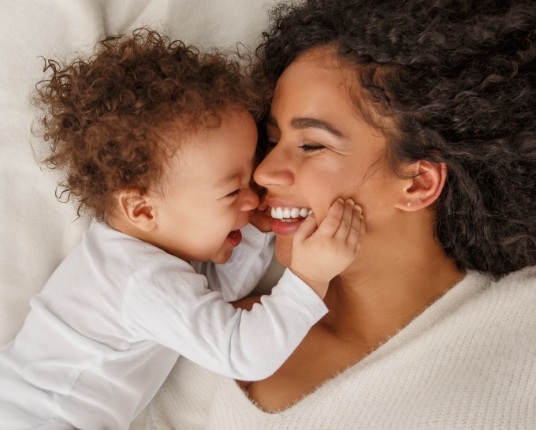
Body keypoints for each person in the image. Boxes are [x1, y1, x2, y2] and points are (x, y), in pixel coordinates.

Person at [132, 0, 536, 428]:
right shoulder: (218, 334)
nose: (265, 170)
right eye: (273, 140)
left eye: (312, 145)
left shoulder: (521, 330)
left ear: (418, 182)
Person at [0, 28, 364, 429]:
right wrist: (309, 278)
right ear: (141, 208)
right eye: (232, 192)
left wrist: (259, 228)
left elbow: (222, 294)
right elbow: (243, 352)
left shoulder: (137, 256)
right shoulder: (141, 280)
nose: (254, 195)